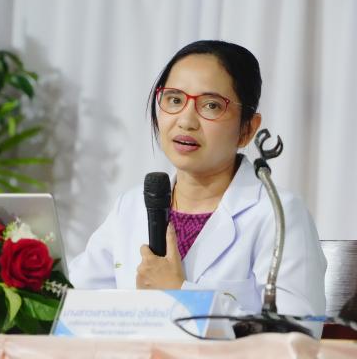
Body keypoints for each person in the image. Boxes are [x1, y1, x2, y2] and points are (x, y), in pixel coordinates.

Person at [69, 40, 326, 337]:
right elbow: (74, 301)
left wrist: (180, 294)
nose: (186, 120)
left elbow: (297, 335)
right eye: (174, 100)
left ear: (247, 129)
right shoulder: (132, 205)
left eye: (211, 105)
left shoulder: (278, 213)